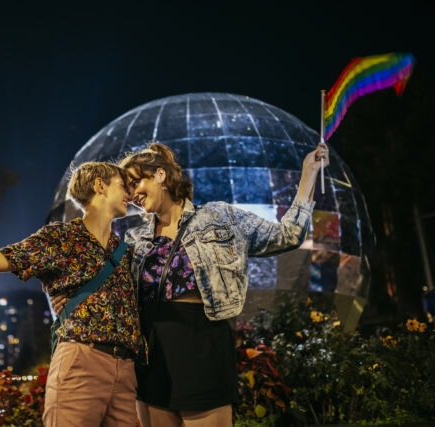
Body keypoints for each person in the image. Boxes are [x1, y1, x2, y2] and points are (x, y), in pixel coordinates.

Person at [52, 141, 329, 426]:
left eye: (136, 182)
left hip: (203, 345)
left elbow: (289, 234)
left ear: (160, 175)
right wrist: (67, 293)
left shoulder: (219, 216)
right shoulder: (134, 239)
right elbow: (104, 287)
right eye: (127, 187)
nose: (132, 193)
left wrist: (308, 174)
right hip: (151, 353)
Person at [0, 161, 144, 427]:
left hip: (126, 370)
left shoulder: (125, 252)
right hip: (82, 361)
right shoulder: (60, 237)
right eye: (121, 185)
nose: (128, 192)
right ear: (99, 186)